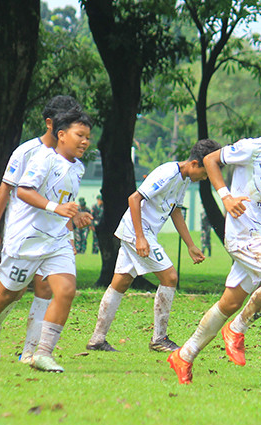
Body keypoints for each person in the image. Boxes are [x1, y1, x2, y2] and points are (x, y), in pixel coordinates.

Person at [167, 92, 261, 384]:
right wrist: (225, 197)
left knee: (229, 302)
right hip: (243, 233)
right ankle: (237, 329)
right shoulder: (253, 148)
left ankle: (183, 355)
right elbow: (210, 160)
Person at [0, 109, 93, 371]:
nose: (85, 142)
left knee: (66, 291)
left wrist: (75, 216)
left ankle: (42, 354)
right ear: (62, 134)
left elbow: (63, 201)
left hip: (56, 241)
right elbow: (23, 191)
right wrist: (57, 208)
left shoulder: (78, 168)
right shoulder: (43, 159)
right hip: (27, 240)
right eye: (80, 135)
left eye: (88, 137)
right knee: (8, 294)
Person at [87, 139, 220, 353]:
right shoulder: (167, 173)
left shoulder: (184, 179)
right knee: (170, 277)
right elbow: (134, 199)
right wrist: (140, 237)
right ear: (195, 163)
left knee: (120, 282)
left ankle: (96, 339)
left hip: (141, 232)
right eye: (205, 173)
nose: (204, 178)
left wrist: (191, 245)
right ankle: (159, 338)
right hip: (137, 231)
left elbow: (175, 211)